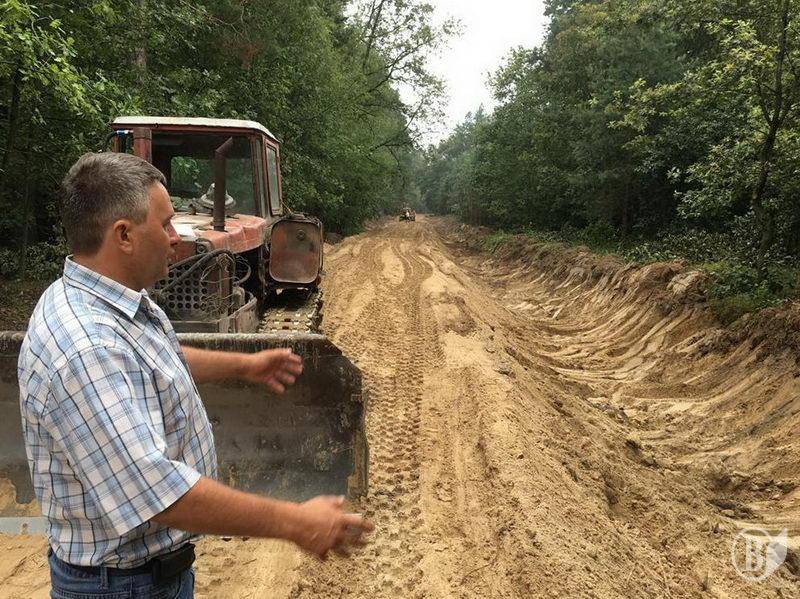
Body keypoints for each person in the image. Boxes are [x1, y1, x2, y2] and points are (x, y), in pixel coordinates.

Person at [17, 152, 373, 599]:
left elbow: (151, 360)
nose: (175, 237)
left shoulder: (105, 302)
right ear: (123, 235)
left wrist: (244, 365)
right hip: (124, 587)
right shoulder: (85, 349)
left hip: (144, 577)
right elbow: (159, 493)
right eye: (166, 224)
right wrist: (296, 522)